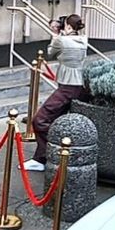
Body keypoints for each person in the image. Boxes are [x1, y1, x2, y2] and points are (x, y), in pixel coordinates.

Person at [25, 14, 88, 172]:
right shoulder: (83, 41)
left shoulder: (62, 40)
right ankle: (45, 155)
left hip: (67, 86)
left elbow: (51, 52)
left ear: (67, 27)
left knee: (40, 120)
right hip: (79, 84)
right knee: (58, 119)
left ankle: (47, 155)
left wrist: (55, 36)